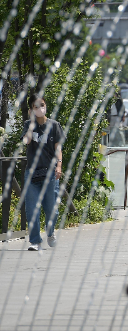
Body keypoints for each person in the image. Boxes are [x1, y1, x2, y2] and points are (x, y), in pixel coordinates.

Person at [22, 94, 65, 251]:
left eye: (42, 105)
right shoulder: (28, 125)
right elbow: (26, 141)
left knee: (50, 208)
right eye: (36, 106)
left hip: (50, 173)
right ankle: (35, 241)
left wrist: (59, 165)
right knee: (32, 208)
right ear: (31, 109)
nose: (40, 108)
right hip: (32, 173)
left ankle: (50, 232)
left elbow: (58, 148)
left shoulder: (54, 125)